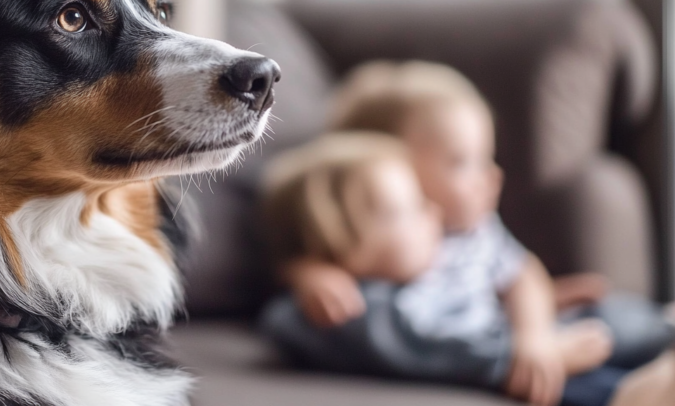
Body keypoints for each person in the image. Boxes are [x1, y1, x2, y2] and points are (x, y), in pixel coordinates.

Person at [259, 61, 674, 406]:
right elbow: (325, 261)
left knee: (616, 317)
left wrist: (536, 329)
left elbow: (521, 275)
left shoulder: (475, 232)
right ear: (385, 159)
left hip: (522, 327)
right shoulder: (384, 233)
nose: (490, 177)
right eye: (462, 162)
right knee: (579, 365)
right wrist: (306, 271)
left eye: (486, 159)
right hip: (496, 340)